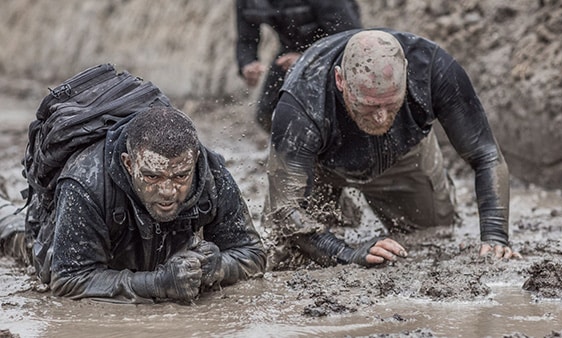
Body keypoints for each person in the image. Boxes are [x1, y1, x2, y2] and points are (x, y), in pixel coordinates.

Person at [264, 28, 521, 269]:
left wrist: (495, 236)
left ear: (406, 73)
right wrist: (348, 253)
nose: (380, 118)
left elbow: (486, 155)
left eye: (390, 103)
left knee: (432, 236)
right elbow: (286, 211)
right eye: (369, 105)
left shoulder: (434, 69)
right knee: (285, 253)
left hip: (403, 154)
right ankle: (340, 208)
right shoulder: (302, 99)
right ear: (340, 80)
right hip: (319, 164)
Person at [0, 106, 266, 303]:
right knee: (19, 238)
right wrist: (157, 284)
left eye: (180, 176)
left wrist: (219, 266)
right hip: (70, 236)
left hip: (146, 253)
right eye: (152, 176)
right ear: (129, 164)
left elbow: (252, 254)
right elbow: (68, 280)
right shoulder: (86, 181)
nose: (168, 191)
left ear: (194, 160)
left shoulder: (212, 173)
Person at [235, 0, 362, 133]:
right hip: (290, 50)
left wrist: (306, 58)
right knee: (265, 113)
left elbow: (349, 38)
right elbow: (246, 40)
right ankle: (288, 148)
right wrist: (248, 64)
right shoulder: (248, 2)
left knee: (332, 115)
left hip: (335, 53)